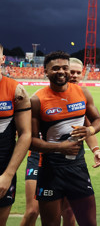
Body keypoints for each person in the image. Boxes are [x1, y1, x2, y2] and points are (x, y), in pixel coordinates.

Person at [30, 51, 100, 226]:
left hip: (77, 168)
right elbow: (30, 141)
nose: (61, 71)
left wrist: (90, 130)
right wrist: (59, 147)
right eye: (55, 68)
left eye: (65, 68)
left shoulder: (83, 92)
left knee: (88, 223)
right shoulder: (37, 100)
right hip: (50, 170)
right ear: (45, 72)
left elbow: (98, 121)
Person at [0, 43, 32, 224]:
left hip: (2, 171)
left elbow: (26, 134)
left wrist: (8, 174)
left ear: (3, 59)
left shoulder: (16, 90)